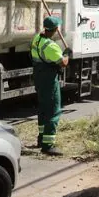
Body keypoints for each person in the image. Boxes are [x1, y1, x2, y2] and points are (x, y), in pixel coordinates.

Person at [30, 16, 70, 156]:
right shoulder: (51, 46)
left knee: (43, 109)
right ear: (56, 29)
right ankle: (48, 145)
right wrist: (67, 54)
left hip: (39, 78)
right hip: (49, 80)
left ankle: (41, 139)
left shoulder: (37, 39)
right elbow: (63, 63)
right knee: (53, 111)